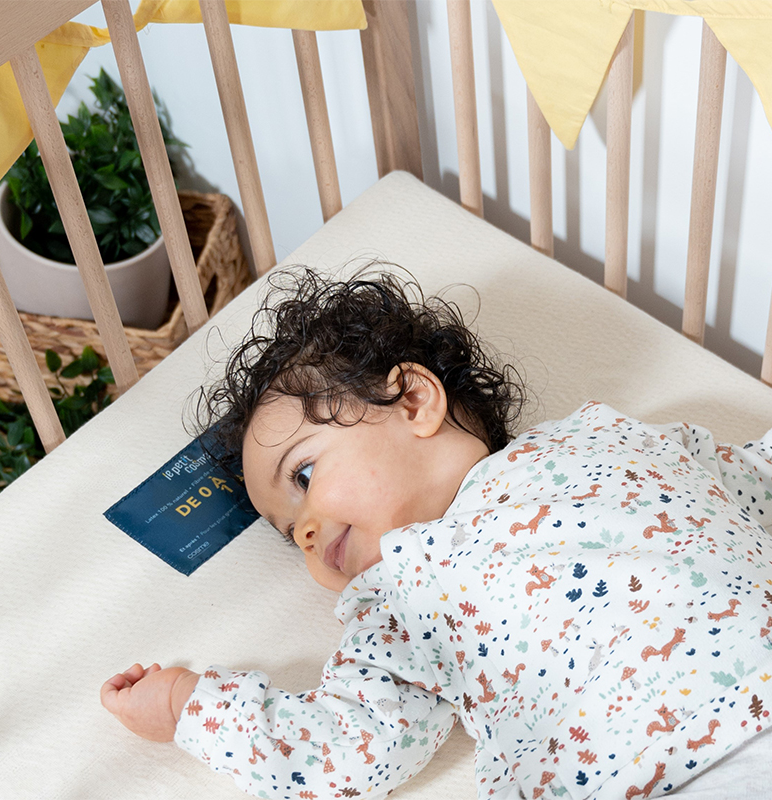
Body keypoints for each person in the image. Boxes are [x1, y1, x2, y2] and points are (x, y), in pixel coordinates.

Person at [102, 268, 772, 799]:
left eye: (303, 475)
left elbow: (746, 476)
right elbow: (347, 748)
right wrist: (190, 707)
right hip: (660, 771)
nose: (305, 531)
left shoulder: (599, 433)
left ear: (416, 401)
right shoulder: (400, 598)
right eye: (287, 532)